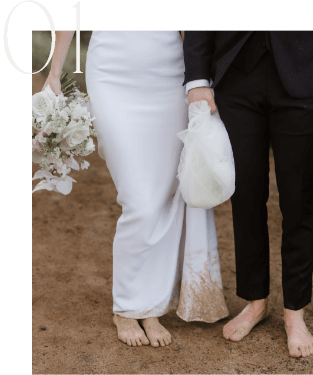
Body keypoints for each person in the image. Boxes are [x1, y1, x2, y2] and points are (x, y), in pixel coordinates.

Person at [183, 30, 313, 358]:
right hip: (236, 73)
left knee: (298, 200)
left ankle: (295, 310)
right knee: (245, 196)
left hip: (307, 72)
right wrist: (197, 78)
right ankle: (255, 302)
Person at [41, 30, 229, 348]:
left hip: (170, 72)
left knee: (166, 194)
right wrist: (54, 73)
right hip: (112, 72)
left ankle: (151, 306)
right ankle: (126, 308)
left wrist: (200, 80)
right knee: (138, 199)